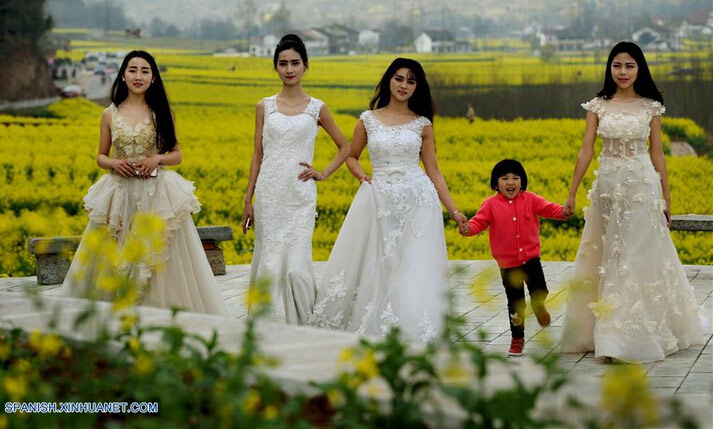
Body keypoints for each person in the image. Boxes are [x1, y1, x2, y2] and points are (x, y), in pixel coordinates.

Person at [560, 41, 703, 363]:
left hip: (642, 187)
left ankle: (624, 337)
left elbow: (657, 153)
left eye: (629, 66)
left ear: (640, 69)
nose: (623, 72)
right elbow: (586, 151)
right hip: (608, 190)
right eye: (617, 65)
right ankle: (606, 332)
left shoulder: (651, 106)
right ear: (609, 68)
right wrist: (572, 192)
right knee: (608, 256)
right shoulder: (597, 105)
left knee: (636, 258)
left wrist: (667, 197)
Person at [309, 58, 468, 343]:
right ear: (388, 81)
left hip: (418, 201)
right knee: (381, 263)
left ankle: (411, 327)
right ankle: (379, 324)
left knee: (412, 264)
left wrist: (454, 211)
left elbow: (433, 171)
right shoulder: (368, 120)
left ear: (417, 87)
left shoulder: (423, 125)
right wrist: (363, 178)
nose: (404, 85)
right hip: (380, 199)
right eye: (399, 78)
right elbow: (352, 156)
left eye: (411, 81)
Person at [61, 50, 230, 316]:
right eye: (132, 70)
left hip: (156, 195)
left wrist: (157, 159)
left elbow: (177, 154)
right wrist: (115, 164)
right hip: (119, 196)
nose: (138, 76)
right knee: (115, 258)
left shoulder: (162, 112)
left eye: (144, 71)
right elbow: (100, 157)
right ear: (123, 75)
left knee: (160, 261)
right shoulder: (109, 114)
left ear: (153, 78)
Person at [241, 34, 350, 324]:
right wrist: (248, 198)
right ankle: (267, 322)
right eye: (283, 63)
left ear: (306, 66)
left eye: (295, 63)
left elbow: (346, 147)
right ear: (275, 68)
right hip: (269, 194)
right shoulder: (264, 106)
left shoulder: (318, 108)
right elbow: (257, 154)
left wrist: (322, 173)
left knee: (297, 269)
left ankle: (304, 324)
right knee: (270, 259)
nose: (289, 69)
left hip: (300, 195)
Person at [460, 159, 571, 356]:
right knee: (515, 302)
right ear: (496, 184)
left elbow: (548, 208)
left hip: (531, 260)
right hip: (508, 266)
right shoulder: (490, 205)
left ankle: (538, 306)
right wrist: (468, 229)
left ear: (522, 182)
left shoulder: (530, 199)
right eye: (504, 178)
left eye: (515, 178)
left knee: (540, 290)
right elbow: (478, 222)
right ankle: (517, 338)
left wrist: (563, 213)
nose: (510, 182)